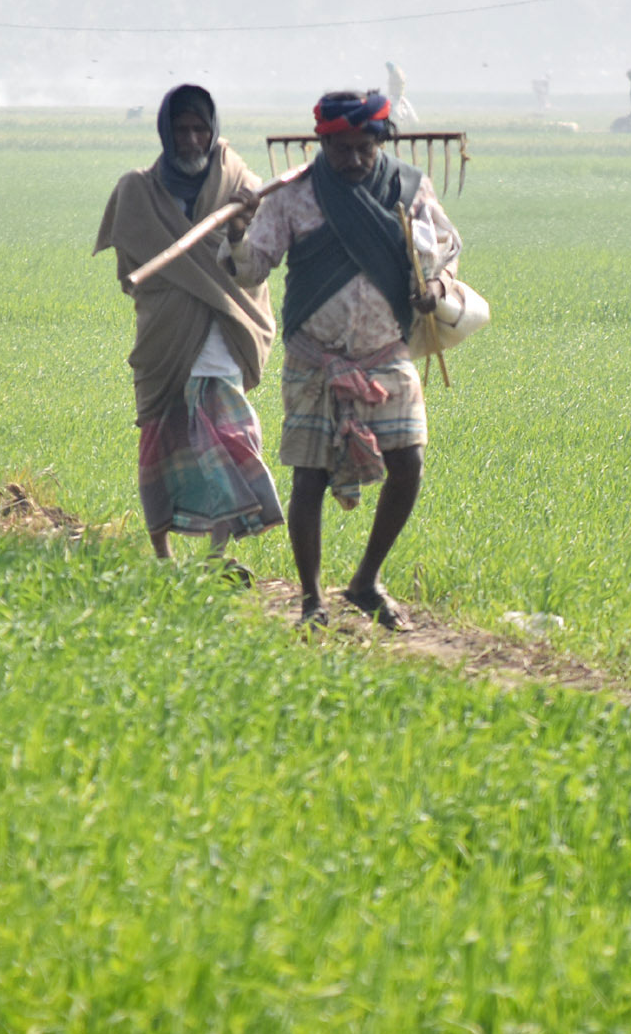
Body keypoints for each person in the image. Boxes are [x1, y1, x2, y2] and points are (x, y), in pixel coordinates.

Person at [236, 89, 463, 630]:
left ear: (380, 142)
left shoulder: (408, 188)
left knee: (408, 463)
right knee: (309, 478)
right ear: (323, 143)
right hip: (317, 358)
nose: (356, 160)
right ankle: (311, 600)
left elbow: (448, 246)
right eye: (343, 149)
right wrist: (235, 231)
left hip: (388, 354)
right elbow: (250, 269)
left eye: (366, 147)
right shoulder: (293, 196)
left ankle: (365, 580)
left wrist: (435, 284)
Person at [94, 84, 283, 572]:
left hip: (223, 327)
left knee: (226, 436)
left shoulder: (241, 181)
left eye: (201, 128)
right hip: (165, 335)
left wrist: (241, 225)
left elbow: (254, 264)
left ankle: (219, 555)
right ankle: (163, 556)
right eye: (183, 129)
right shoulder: (137, 190)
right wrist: (177, 288)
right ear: (166, 132)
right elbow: (131, 270)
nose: (193, 139)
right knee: (163, 438)